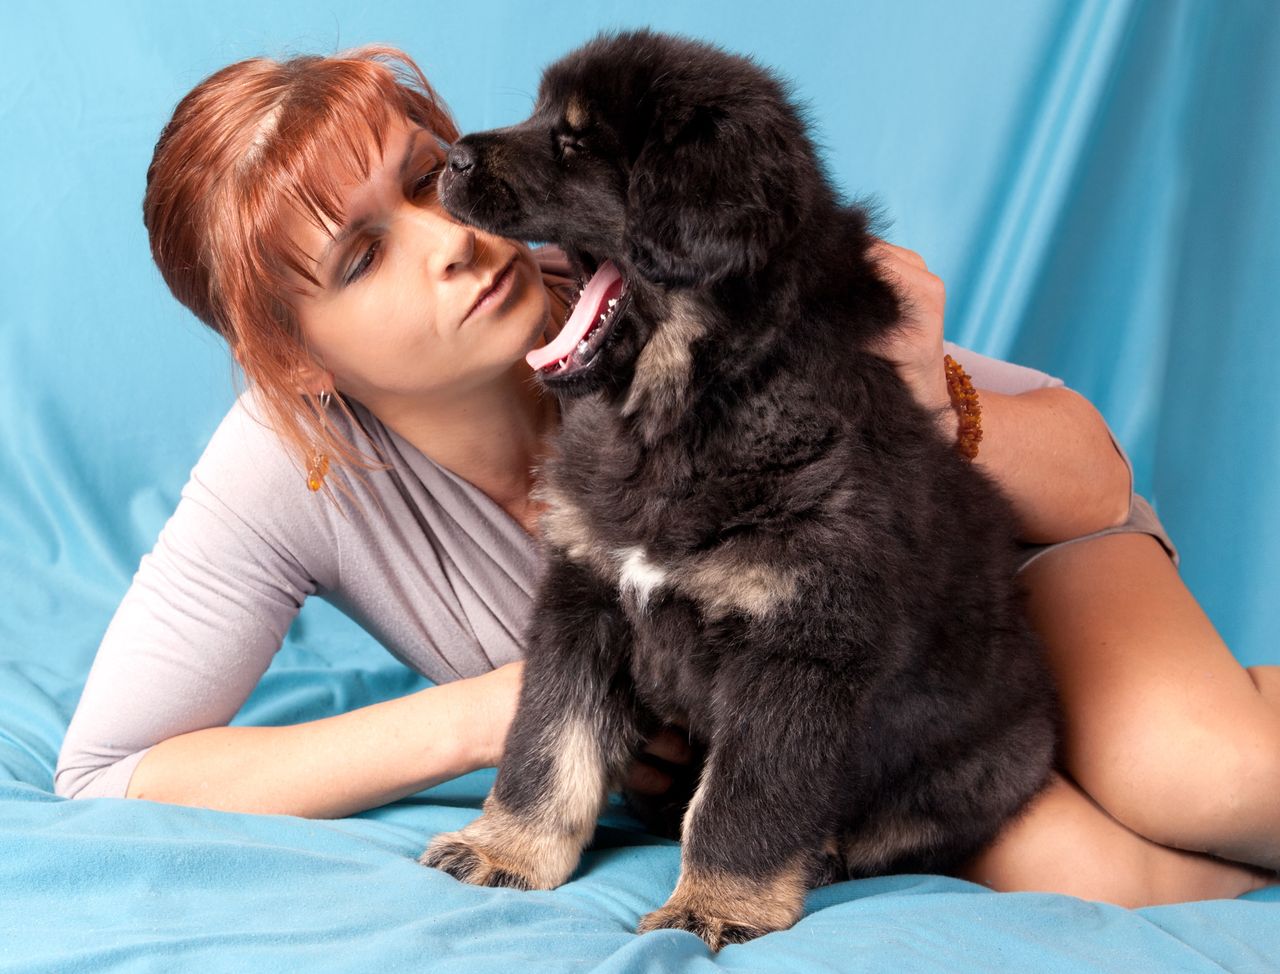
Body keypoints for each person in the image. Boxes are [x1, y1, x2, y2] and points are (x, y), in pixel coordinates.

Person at [55, 45, 1278, 909]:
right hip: (885, 741)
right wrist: (500, 710)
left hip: (1002, 577)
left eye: (428, 176)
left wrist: (906, 387)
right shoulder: (290, 470)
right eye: (361, 255)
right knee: (1100, 879)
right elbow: (112, 774)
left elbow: (1091, 482)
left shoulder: (650, 261)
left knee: (1205, 774)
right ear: (297, 362)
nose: (451, 241)